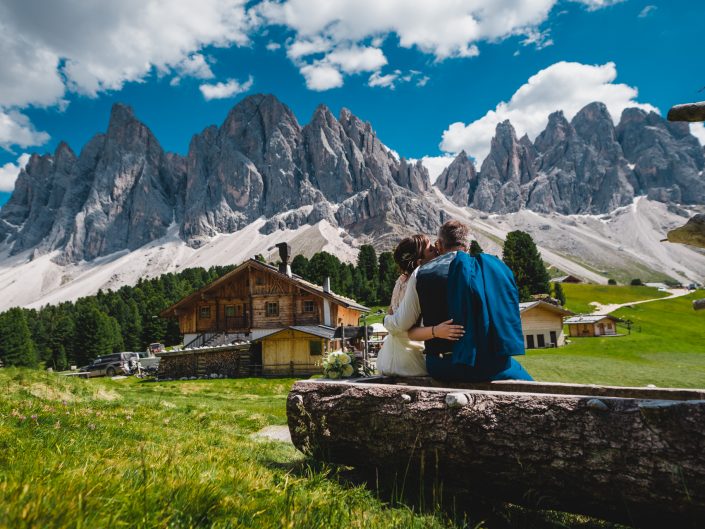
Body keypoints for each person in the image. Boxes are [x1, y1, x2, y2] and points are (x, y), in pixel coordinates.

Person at [384, 220, 533, 382]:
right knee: (525, 378)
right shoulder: (495, 268)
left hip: (443, 367)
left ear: (439, 244)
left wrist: (388, 320)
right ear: (467, 246)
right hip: (491, 366)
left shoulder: (421, 274)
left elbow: (406, 327)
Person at [376, 234, 465, 376]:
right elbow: (402, 324)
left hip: (393, 355)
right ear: (419, 262)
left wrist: (387, 320)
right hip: (412, 358)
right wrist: (386, 321)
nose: (436, 249)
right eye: (430, 249)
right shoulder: (419, 281)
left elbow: (391, 311)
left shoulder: (400, 280)